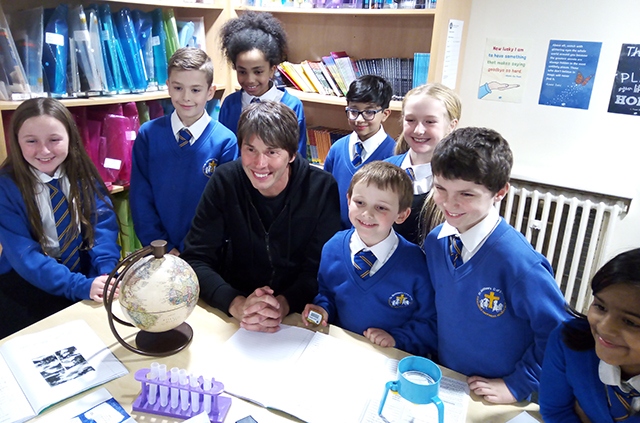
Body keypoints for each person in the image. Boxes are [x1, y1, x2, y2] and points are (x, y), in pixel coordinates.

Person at [423, 127, 569, 404]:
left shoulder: (519, 263)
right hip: (449, 377)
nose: (449, 203)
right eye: (440, 188)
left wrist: (517, 384)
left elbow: (558, 332)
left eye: (466, 194)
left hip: (498, 392)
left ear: (500, 192)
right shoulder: (435, 242)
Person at [182, 101, 341, 333]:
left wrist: (283, 304)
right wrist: (236, 304)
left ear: (292, 155)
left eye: (272, 151)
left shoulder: (321, 188)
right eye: (251, 149)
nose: (259, 163)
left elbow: (320, 269)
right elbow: (196, 258)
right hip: (234, 314)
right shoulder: (225, 181)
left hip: (296, 316)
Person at [0, 98, 121, 338]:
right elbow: (25, 256)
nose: (44, 151)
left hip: (84, 275)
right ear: (17, 142)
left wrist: (106, 271)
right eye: (31, 141)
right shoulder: (6, 187)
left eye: (54, 140)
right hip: (27, 284)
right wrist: (77, 286)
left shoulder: (83, 172)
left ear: (70, 138)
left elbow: (103, 225)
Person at [302, 161, 435, 355]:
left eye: (381, 207)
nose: (367, 213)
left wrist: (397, 338)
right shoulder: (332, 248)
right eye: (360, 202)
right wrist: (323, 310)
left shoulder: (416, 264)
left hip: (387, 357)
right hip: (339, 350)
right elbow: (327, 294)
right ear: (348, 200)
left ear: (401, 214)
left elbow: (429, 322)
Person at [130, 47, 237, 255]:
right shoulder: (148, 135)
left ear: (210, 92)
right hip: (158, 252)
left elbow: (223, 208)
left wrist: (193, 250)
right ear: (168, 86)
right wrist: (163, 246)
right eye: (178, 88)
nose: (186, 97)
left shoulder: (226, 142)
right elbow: (140, 199)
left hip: (207, 253)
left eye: (196, 90)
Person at [539, 248, 640, 422]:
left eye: (630, 322)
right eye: (600, 307)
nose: (605, 328)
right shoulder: (569, 342)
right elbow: (555, 412)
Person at [218, 11, 307, 159]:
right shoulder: (230, 104)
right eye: (242, 72)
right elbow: (224, 153)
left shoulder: (291, 105)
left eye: (258, 72)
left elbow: (298, 156)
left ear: (272, 69)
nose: (250, 80)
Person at [385, 83, 461, 244]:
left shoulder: (460, 183)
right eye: (411, 120)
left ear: (451, 126)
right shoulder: (384, 170)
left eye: (430, 122)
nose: (419, 130)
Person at [324, 75, 395, 229]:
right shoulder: (337, 148)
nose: (359, 119)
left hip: (372, 236)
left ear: (385, 114)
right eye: (354, 111)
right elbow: (325, 195)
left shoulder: (394, 155)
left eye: (369, 112)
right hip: (335, 235)